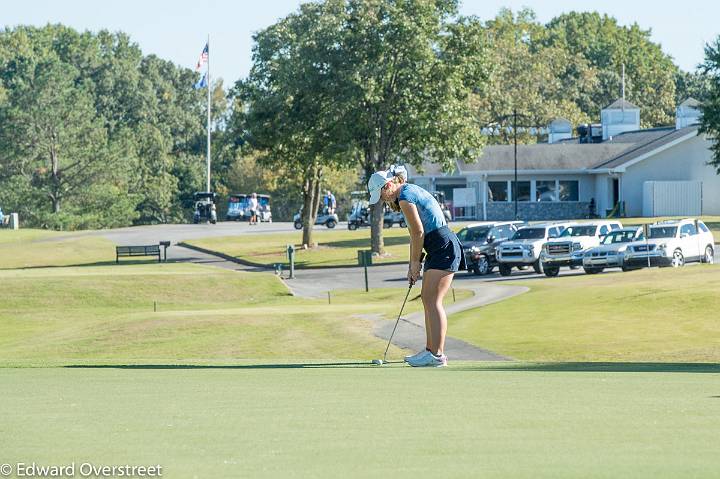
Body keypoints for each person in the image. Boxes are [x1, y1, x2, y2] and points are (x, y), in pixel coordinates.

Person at [367, 165, 464, 367]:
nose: (383, 200)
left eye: (381, 195)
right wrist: (414, 262)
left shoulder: (404, 197)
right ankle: (430, 351)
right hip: (436, 246)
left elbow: (418, 232)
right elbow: (415, 234)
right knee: (428, 299)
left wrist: (414, 264)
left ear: (387, 186)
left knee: (433, 299)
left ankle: (437, 355)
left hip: (443, 245)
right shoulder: (407, 192)